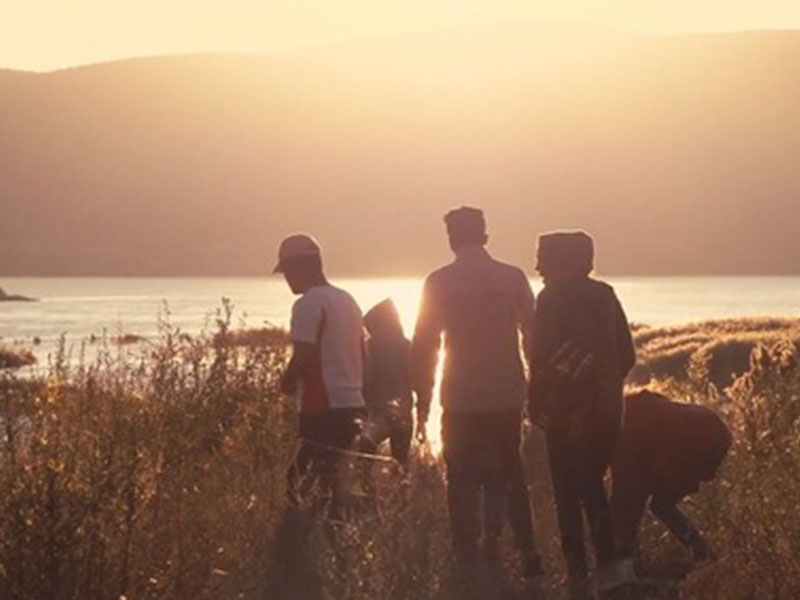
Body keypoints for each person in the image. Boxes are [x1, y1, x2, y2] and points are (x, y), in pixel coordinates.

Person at [412, 206, 542, 576]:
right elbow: (533, 336)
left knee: (461, 478)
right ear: (485, 236)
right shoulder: (511, 277)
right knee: (511, 472)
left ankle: (466, 554)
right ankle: (527, 550)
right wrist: (537, 387)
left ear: (452, 238)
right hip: (506, 394)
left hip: (460, 396)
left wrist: (421, 399)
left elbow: (424, 345)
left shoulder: (438, 282)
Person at [528, 230, 636, 598]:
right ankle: (611, 570)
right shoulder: (605, 295)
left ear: (558, 261)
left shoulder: (551, 297)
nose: (537, 267)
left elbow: (539, 355)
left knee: (568, 493)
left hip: (566, 412)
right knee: (593, 487)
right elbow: (627, 355)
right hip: (608, 411)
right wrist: (604, 391)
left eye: (543, 258)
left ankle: (577, 575)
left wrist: (546, 402)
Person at [274, 233, 366, 518]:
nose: (287, 278)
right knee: (332, 478)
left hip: (321, 406)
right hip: (353, 403)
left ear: (303, 267)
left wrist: (286, 382)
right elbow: (363, 355)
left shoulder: (308, 304)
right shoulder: (347, 300)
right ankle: (334, 539)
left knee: (298, 482)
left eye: (288, 271)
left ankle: (305, 542)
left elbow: (304, 354)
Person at [611, 390, 732, 573]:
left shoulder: (622, 428)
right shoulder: (627, 413)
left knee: (636, 504)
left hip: (699, 440)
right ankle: (702, 553)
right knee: (660, 504)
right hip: (710, 431)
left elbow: (625, 497)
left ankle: (627, 565)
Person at [358, 298, 415, 466]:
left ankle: (367, 487)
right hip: (404, 411)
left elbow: (365, 378)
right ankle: (401, 490)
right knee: (401, 460)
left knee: (366, 453)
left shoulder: (371, 347)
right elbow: (416, 380)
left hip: (378, 413)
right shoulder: (408, 346)